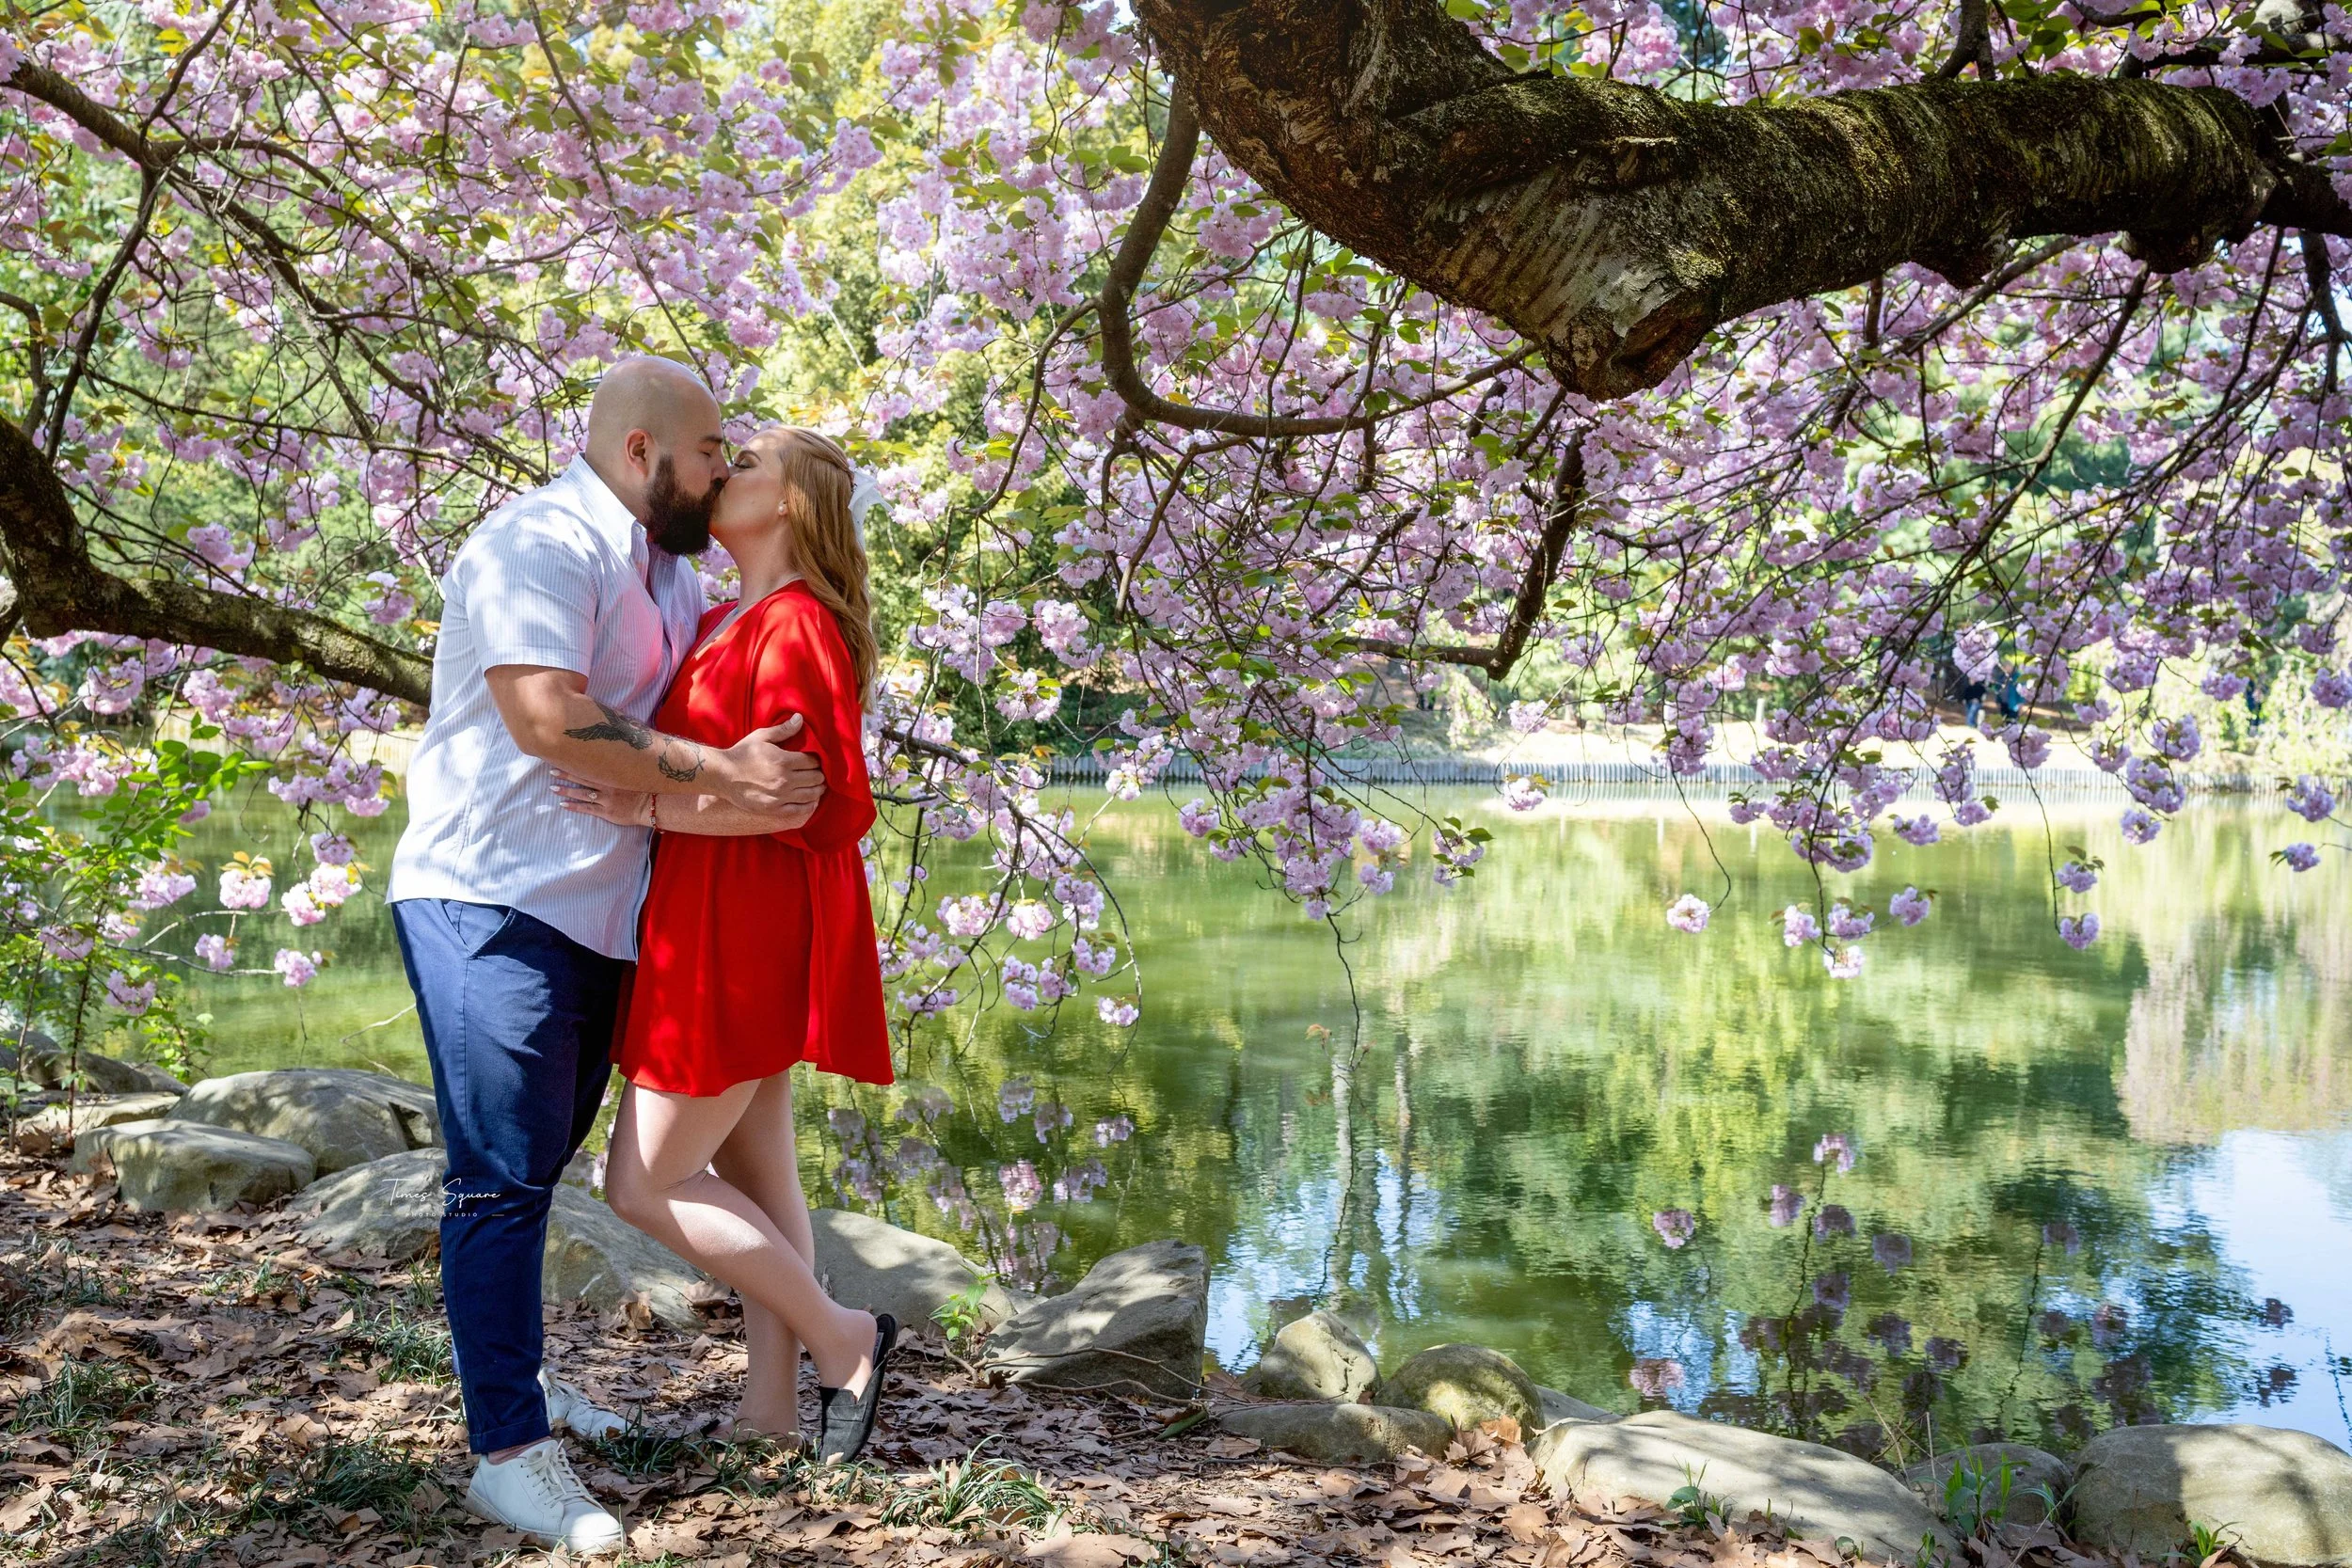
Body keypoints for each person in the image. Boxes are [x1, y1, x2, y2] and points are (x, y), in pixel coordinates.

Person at [386, 359, 827, 1555]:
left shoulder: (674, 579)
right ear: (642, 453)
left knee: (540, 1170)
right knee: (495, 1174)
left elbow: (709, 729)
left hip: (602, 920)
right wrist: (723, 774)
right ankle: (508, 1454)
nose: (723, 471)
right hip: (488, 900)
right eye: (709, 454)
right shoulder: (536, 541)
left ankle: (521, 1389)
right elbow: (547, 716)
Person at [552, 425, 898, 1466]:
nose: (722, 472)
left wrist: (645, 806)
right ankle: (769, 1410)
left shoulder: (794, 625)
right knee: (758, 1180)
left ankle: (848, 1338)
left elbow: (827, 808)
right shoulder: (716, 616)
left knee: (642, 1185)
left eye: (745, 462)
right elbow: (711, 771)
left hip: (742, 931)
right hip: (702, 919)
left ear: (792, 503)